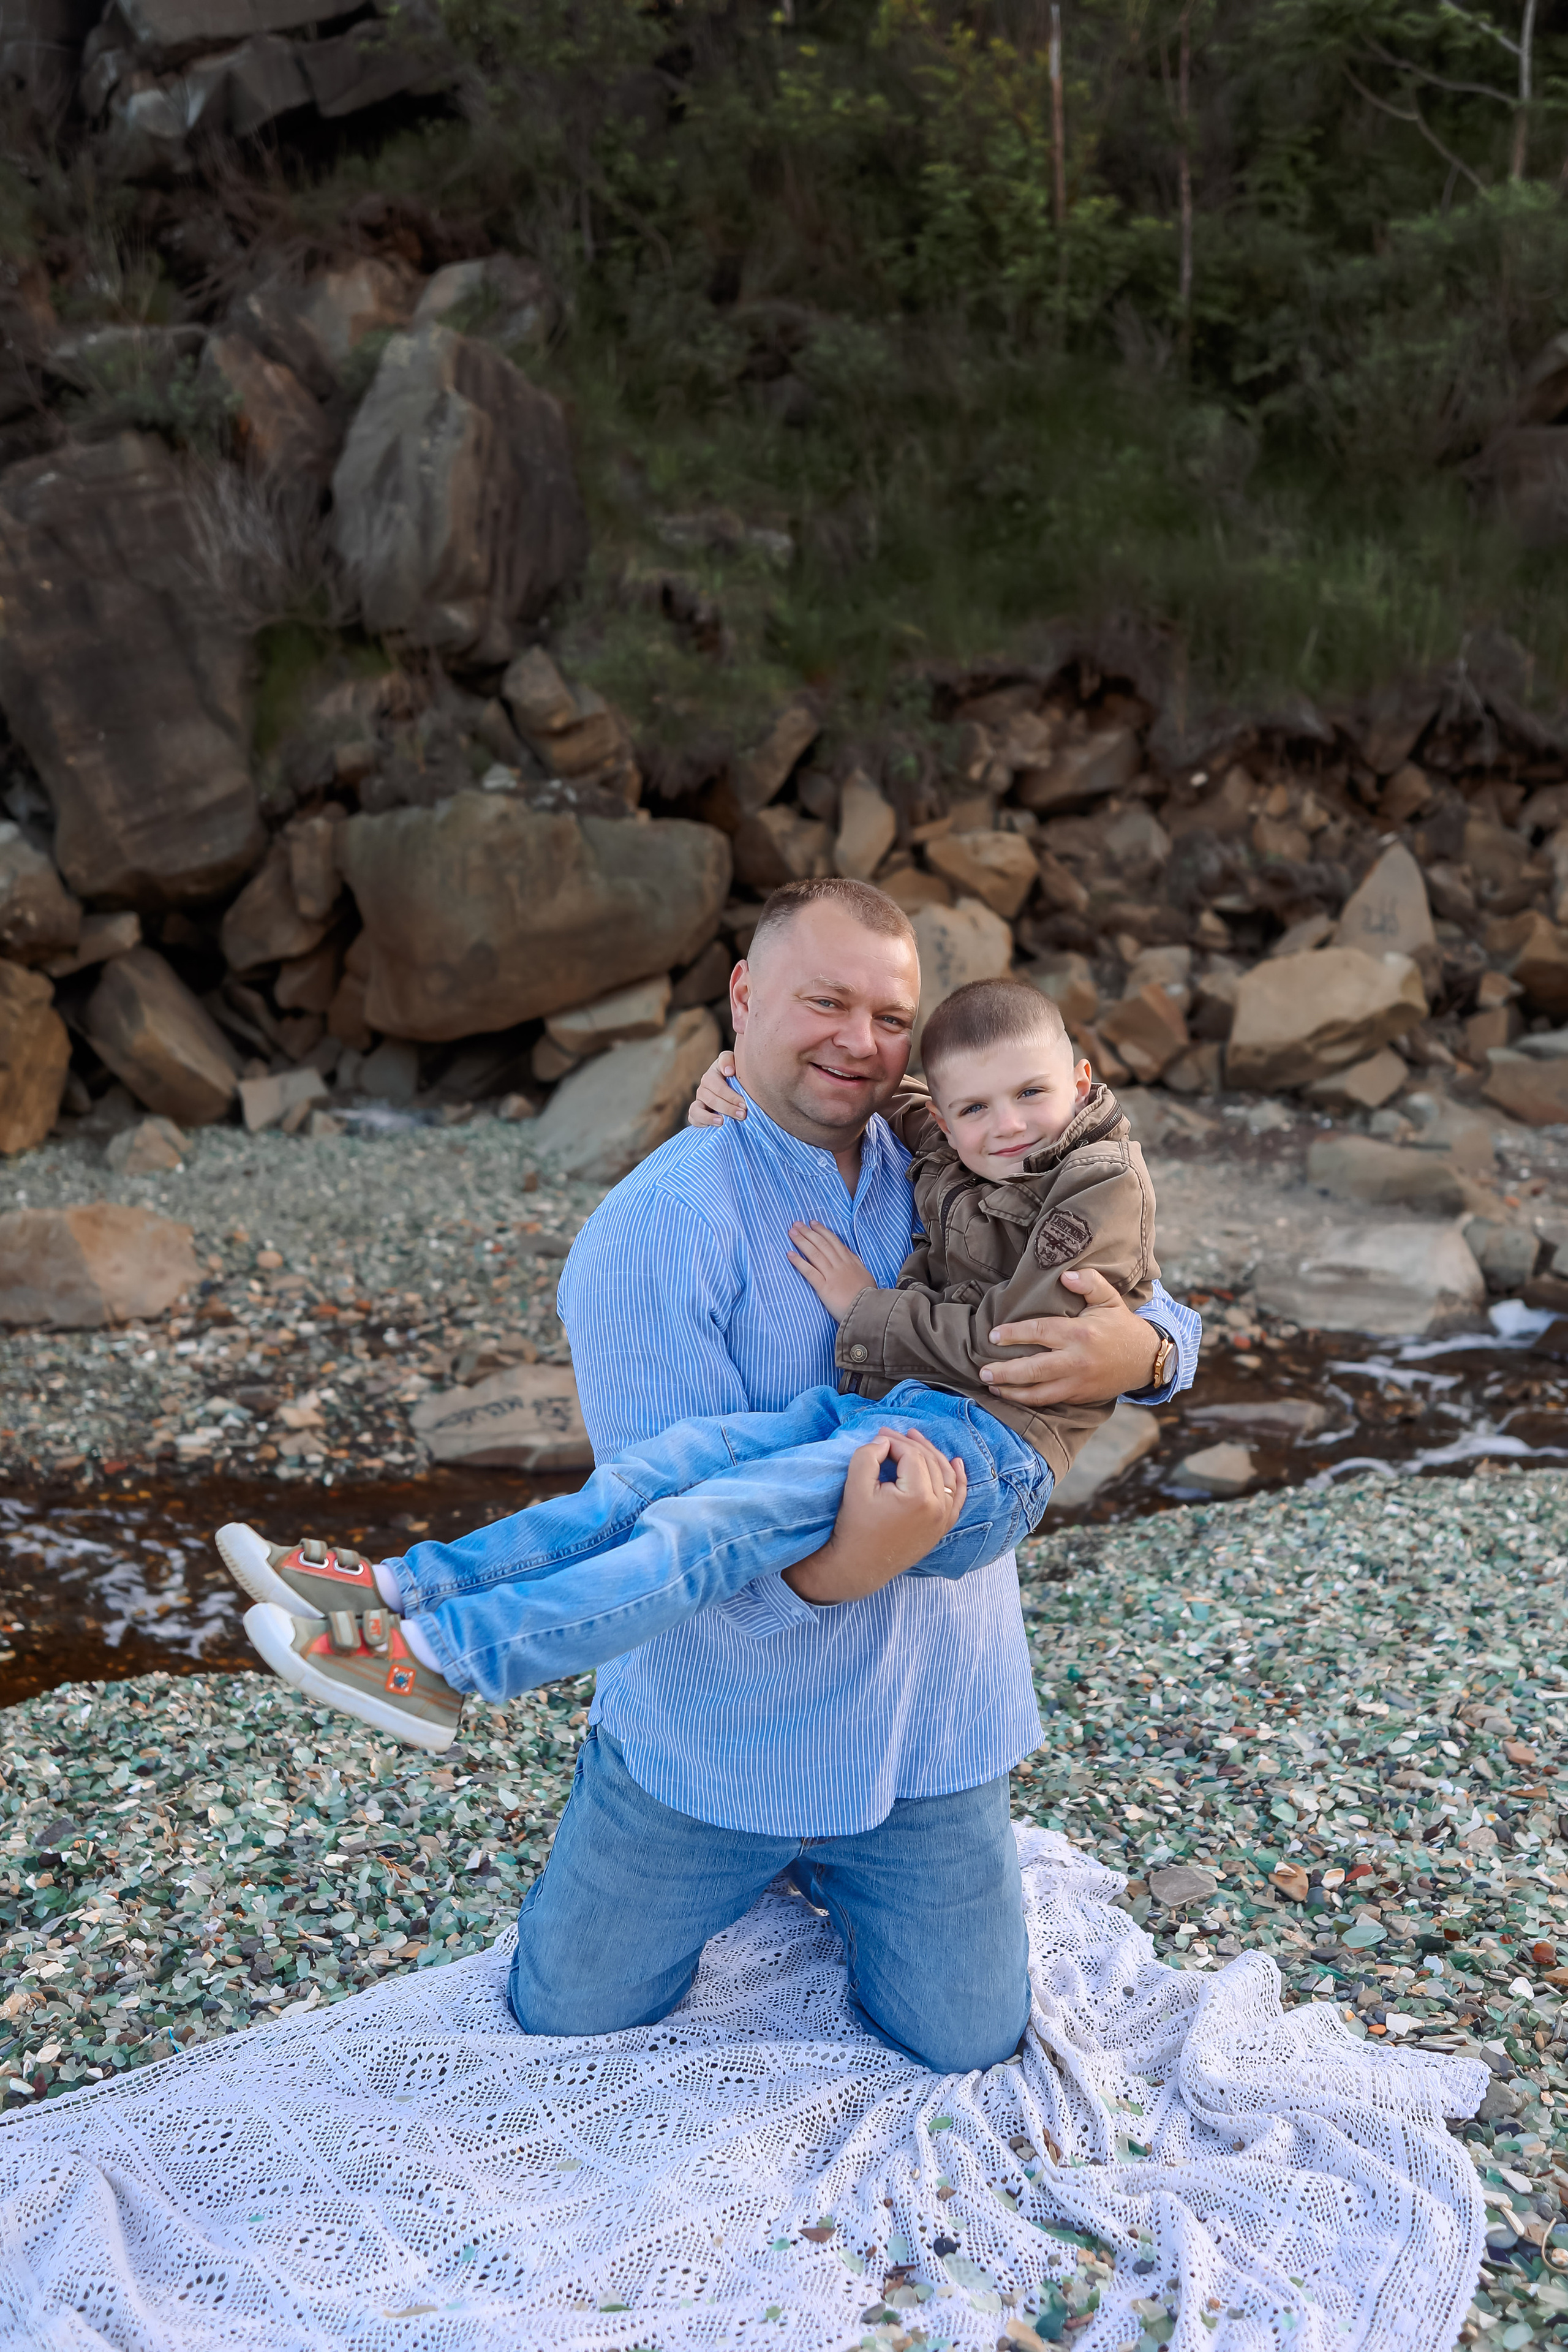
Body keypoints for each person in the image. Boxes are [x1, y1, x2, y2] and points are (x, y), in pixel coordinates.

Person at [221, 878, 1199, 2073]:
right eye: (822, 1002)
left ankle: (433, 1631)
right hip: (718, 1739)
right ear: (743, 997)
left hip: (928, 1730)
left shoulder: (939, 1140)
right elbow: (683, 1546)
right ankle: (403, 1611)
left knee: (966, 2045)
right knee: (565, 2018)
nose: (859, 1042)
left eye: (888, 1017)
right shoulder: (655, 1228)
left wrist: (1146, 1349)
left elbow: (1127, 1264)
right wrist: (853, 1566)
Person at [222, 973, 1159, 1744]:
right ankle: (399, 1587)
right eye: (976, 1109)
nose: (1007, 1126)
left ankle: (442, 1664)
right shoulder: (971, 1136)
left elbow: (1016, 1347)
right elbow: (905, 1102)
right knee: (662, 1472)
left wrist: (867, 1313)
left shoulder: (1097, 1181)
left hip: (985, 1452)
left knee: (708, 1521)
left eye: (1032, 1094)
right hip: (904, 1412)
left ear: (1080, 1082)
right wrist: (748, 1077)